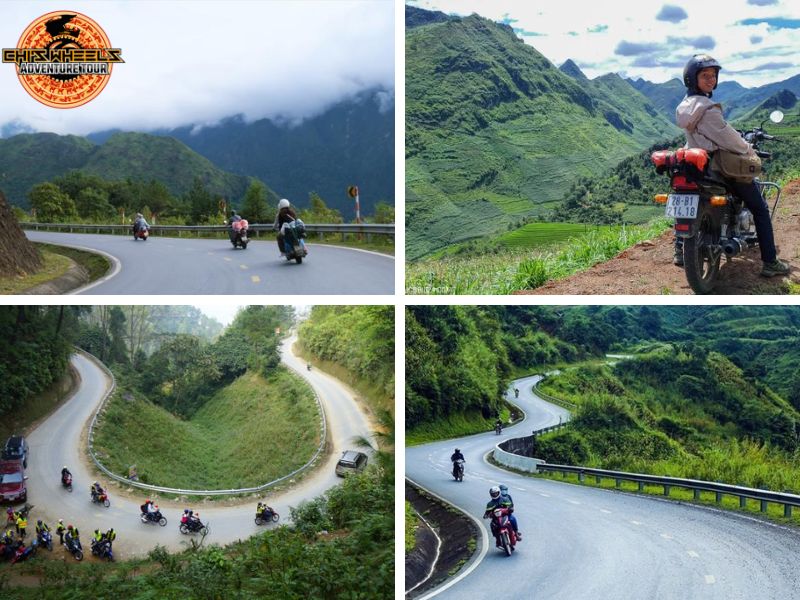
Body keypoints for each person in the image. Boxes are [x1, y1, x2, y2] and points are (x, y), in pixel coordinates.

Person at [674, 54, 790, 277]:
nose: (710, 79)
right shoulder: (707, 108)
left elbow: (705, 135)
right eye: (705, 75)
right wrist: (748, 148)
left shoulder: (686, 107)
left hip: (698, 167)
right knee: (760, 208)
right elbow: (727, 138)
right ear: (692, 78)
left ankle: (680, 249)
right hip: (720, 167)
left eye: (713, 75)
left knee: (685, 202)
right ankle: (770, 262)